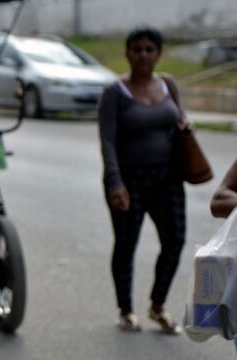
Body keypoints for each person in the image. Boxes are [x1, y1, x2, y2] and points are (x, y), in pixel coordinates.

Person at [98, 26, 190, 334]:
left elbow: (179, 118)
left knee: (175, 241)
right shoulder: (115, 93)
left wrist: (185, 124)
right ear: (127, 53)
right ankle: (126, 310)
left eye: (150, 49)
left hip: (168, 178)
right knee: (126, 244)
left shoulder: (168, 85)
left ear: (158, 54)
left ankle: (157, 306)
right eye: (137, 49)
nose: (143, 55)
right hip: (128, 180)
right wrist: (115, 182)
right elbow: (107, 140)